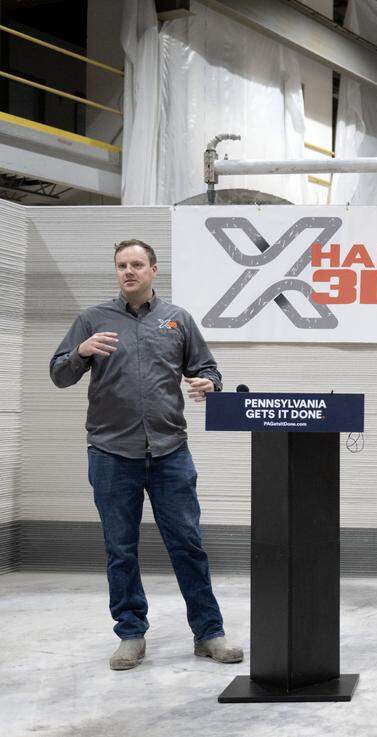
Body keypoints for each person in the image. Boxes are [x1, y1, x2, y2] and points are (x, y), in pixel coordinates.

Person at [49, 239, 243, 671]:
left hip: (170, 452)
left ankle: (209, 632)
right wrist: (80, 352)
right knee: (121, 549)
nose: (128, 271)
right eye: (121, 265)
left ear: (153, 270)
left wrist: (209, 384)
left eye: (137, 264)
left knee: (189, 545)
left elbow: (208, 370)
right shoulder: (92, 319)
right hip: (111, 452)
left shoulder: (178, 321)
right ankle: (131, 634)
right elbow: (59, 374)